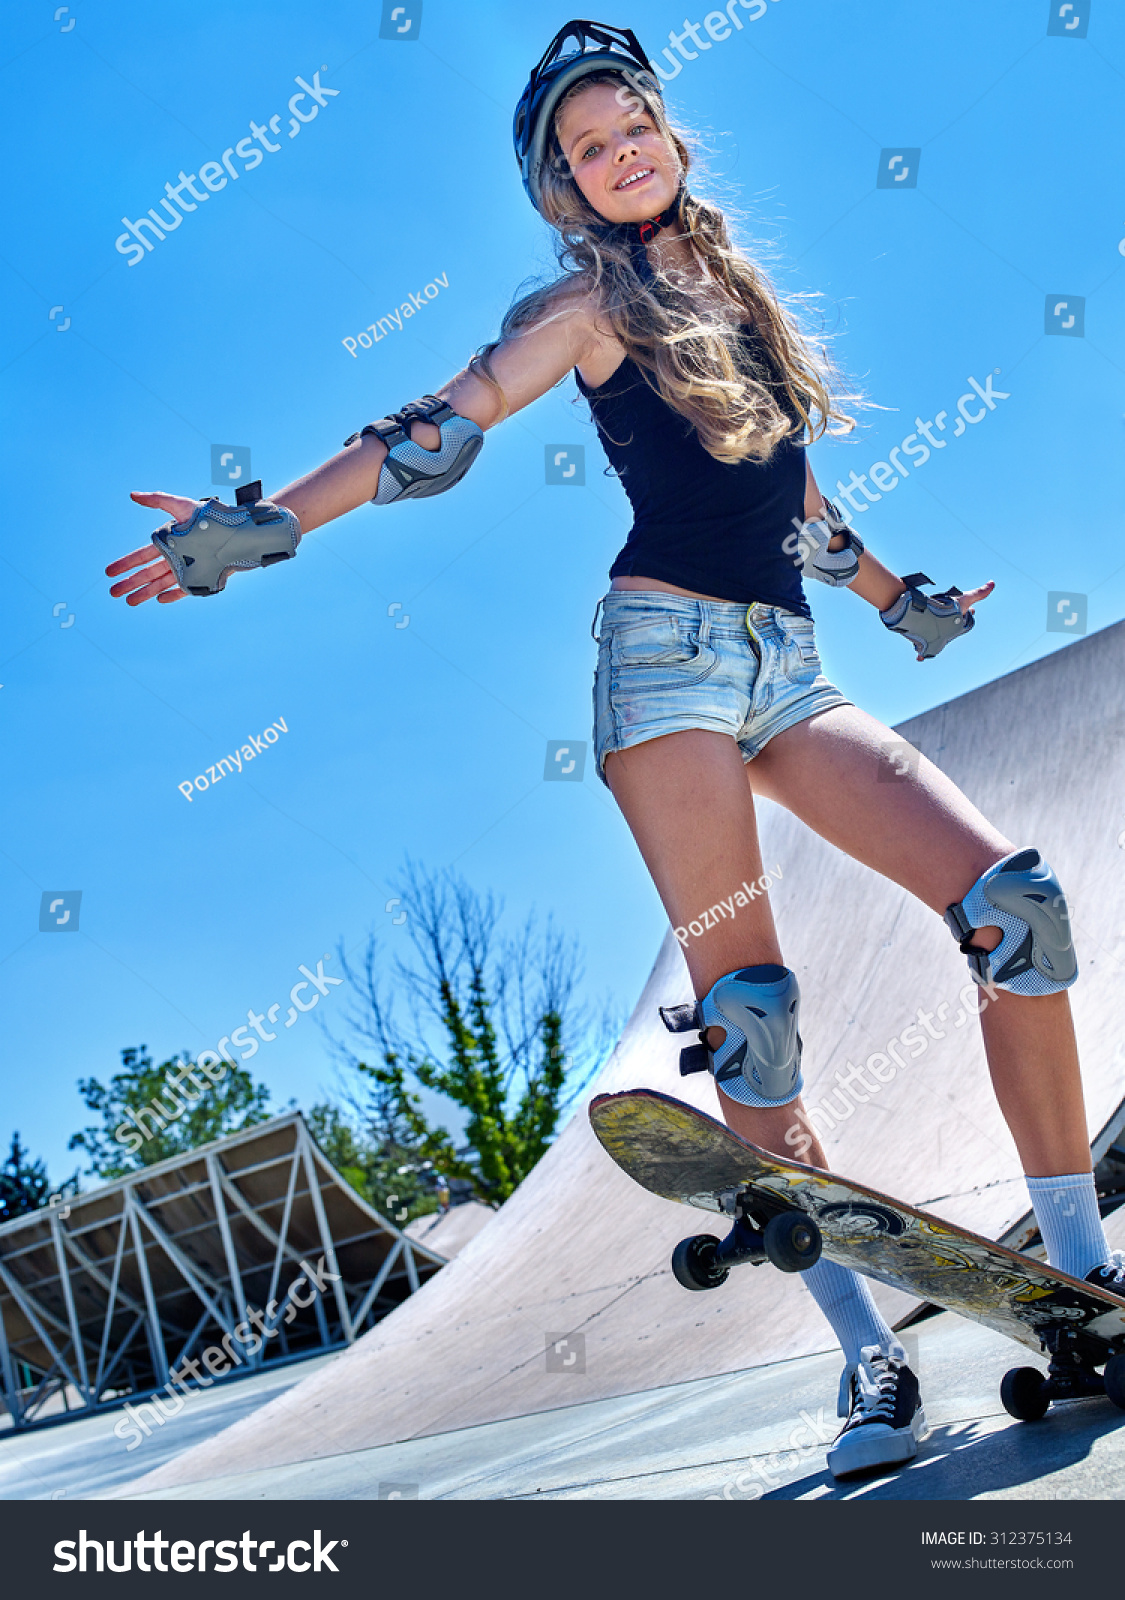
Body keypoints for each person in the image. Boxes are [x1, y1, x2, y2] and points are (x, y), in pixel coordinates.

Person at [106, 20, 1122, 1483]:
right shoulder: (583, 304)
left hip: (790, 665)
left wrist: (901, 603)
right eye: (584, 151)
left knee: (1013, 908)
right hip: (659, 674)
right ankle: (865, 1360)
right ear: (563, 191)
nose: (614, 155)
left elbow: (799, 508)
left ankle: (1083, 1284)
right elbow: (429, 435)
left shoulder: (740, 302)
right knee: (751, 1013)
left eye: (626, 128)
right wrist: (257, 526)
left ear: (668, 134)